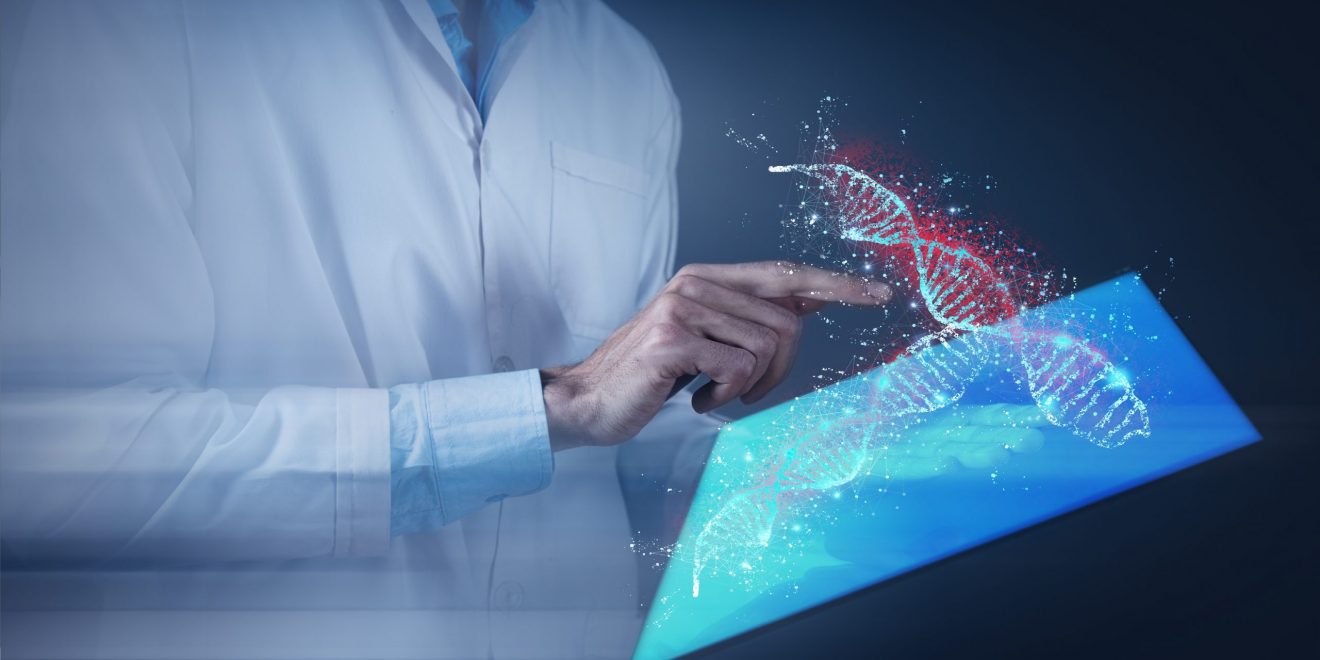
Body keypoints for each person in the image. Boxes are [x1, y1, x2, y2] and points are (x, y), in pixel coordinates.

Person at [0, 1, 890, 657]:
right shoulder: (117, 25)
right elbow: (49, 467)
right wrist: (554, 407)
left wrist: (790, 469)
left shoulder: (617, 63)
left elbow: (605, 434)